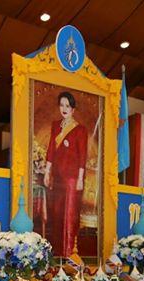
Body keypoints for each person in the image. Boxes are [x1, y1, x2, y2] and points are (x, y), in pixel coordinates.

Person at [43, 91, 88, 257]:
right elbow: (51, 150)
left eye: (67, 106)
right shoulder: (56, 125)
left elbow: (83, 155)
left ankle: (69, 253)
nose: (64, 108)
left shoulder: (80, 130)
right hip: (57, 177)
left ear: (73, 109)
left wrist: (80, 178)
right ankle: (57, 252)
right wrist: (47, 172)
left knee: (69, 215)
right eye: (61, 105)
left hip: (72, 179)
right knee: (57, 213)